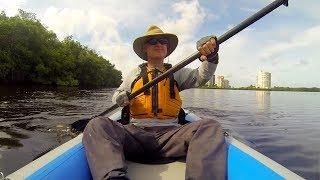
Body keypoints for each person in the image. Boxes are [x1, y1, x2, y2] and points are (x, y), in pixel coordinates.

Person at [83, 25, 226, 180]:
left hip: (171, 136)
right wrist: (120, 97)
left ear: (167, 47)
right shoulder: (134, 74)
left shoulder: (177, 72)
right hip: (136, 136)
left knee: (210, 126)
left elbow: (201, 76)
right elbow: (117, 94)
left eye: (163, 41)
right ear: (145, 48)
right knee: (97, 124)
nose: (159, 43)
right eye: (153, 41)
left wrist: (211, 56)